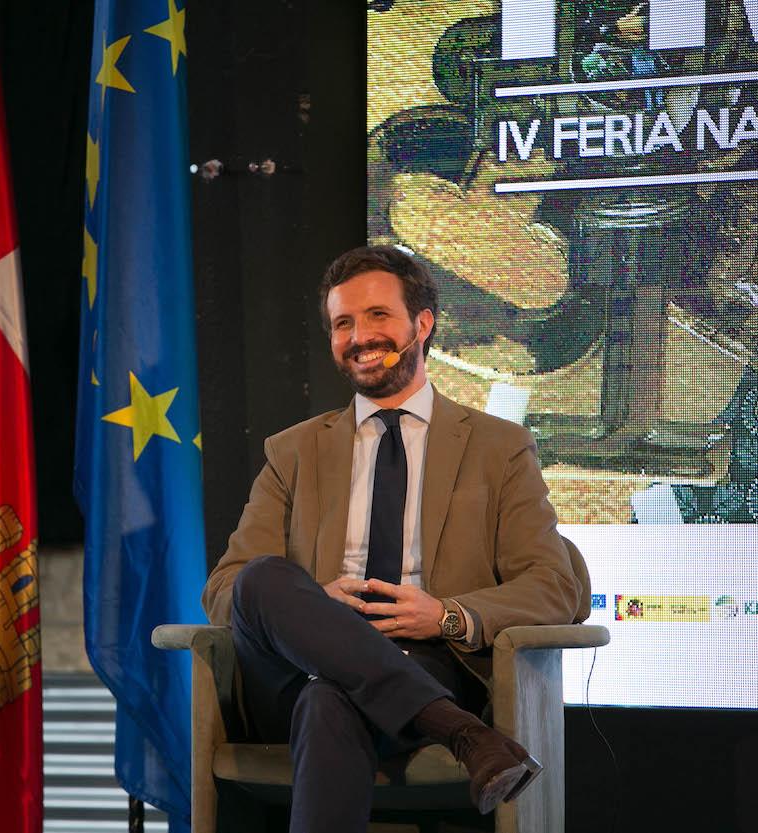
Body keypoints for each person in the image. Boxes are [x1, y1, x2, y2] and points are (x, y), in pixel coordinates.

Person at [201, 244, 590, 832]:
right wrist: (315, 605)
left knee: (329, 701)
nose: (360, 336)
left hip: (426, 660)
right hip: (291, 670)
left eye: (378, 316)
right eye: (342, 323)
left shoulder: (498, 446)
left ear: (422, 324)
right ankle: (464, 734)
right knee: (261, 579)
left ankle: (450, 720)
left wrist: (447, 615)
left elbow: (556, 585)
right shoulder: (292, 451)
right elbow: (226, 588)